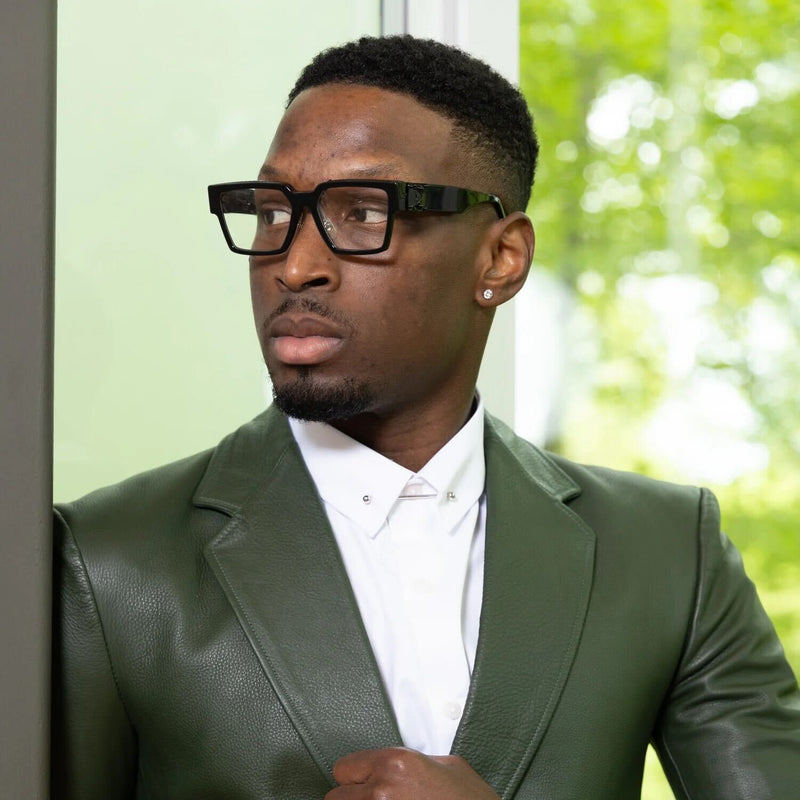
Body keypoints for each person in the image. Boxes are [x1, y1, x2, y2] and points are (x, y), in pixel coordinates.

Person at [51, 35, 800, 800]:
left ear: (500, 260)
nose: (295, 265)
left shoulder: (668, 553)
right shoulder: (107, 562)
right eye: (274, 212)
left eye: (362, 211)